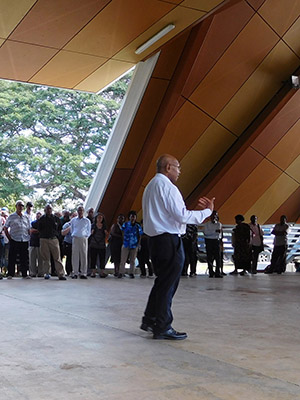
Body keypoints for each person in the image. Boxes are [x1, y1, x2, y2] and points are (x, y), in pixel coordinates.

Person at [141, 154, 214, 340]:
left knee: (162, 282)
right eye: (177, 167)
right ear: (168, 168)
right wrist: (207, 212)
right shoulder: (167, 187)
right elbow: (181, 216)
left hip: (155, 241)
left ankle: (150, 319)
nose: (179, 171)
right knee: (168, 285)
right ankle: (163, 326)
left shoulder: (150, 186)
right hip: (168, 241)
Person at [37, 204, 66, 280]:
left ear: (52, 210)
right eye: (47, 209)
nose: (49, 210)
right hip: (44, 239)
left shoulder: (56, 219)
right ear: (45, 210)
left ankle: (61, 274)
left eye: (50, 209)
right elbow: (39, 229)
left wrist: (57, 236)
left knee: (57, 257)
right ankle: (47, 273)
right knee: (46, 258)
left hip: (53, 239)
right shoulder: (41, 219)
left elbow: (59, 229)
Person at [4, 200, 31, 279]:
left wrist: (29, 236)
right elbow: (6, 228)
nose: (21, 207)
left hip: (24, 239)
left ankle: (24, 274)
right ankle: (10, 274)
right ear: (16, 206)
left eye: (22, 205)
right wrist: (10, 238)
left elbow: (29, 228)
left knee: (24, 257)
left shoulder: (26, 217)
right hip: (14, 239)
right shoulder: (11, 216)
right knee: (12, 257)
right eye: (19, 205)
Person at [118, 210, 143, 279]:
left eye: (134, 217)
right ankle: (121, 272)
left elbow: (140, 235)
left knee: (132, 260)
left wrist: (138, 244)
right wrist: (124, 240)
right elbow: (122, 232)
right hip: (126, 244)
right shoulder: (125, 224)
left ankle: (131, 273)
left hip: (134, 245)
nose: (133, 218)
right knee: (123, 259)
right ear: (129, 217)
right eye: (131, 216)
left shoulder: (138, 226)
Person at [70, 205, 91, 279]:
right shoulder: (73, 220)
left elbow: (89, 230)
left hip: (83, 238)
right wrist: (74, 235)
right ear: (77, 211)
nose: (80, 212)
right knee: (75, 255)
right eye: (79, 210)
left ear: (83, 211)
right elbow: (71, 229)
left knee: (84, 255)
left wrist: (85, 236)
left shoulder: (87, 220)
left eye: (81, 210)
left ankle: (83, 273)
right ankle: (75, 272)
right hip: (75, 238)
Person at [203, 211, 223, 278]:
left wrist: (213, 233)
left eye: (216, 215)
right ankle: (211, 272)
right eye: (213, 215)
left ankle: (218, 272)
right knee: (210, 257)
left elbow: (219, 234)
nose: (214, 217)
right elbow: (206, 233)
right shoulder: (207, 224)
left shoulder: (219, 224)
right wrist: (214, 231)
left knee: (218, 257)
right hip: (209, 241)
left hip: (216, 241)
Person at [89, 213, 108, 278]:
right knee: (93, 258)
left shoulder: (104, 226)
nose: (100, 219)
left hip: (101, 244)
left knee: (102, 258)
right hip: (94, 244)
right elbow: (90, 233)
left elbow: (106, 234)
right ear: (96, 218)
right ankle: (93, 272)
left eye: (101, 218)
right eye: (98, 218)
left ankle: (102, 272)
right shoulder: (93, 225)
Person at [61, 212, 77, 276]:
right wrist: (70, 227)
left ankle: (75, 271)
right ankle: (68, 271)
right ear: (70, 217)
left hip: (76, 243)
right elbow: (63, 233)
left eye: (76, 216)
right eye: (73, 216)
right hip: (68, 242)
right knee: (69, 257)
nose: (74, 217)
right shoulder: (67, 224)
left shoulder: (78, 224)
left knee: (75, 258)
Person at [29, 211, 43, 277]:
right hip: (32, 243)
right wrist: (36, 231)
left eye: (40, 215)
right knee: (32, 259)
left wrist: (36, 231)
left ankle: (41, 272)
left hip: (40, 243)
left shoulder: (43, 223)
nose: (38, 216)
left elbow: (42, 231)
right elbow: (30, 230)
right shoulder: (33, 223)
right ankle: (32, 273)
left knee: (41, 259)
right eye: (37, 215)